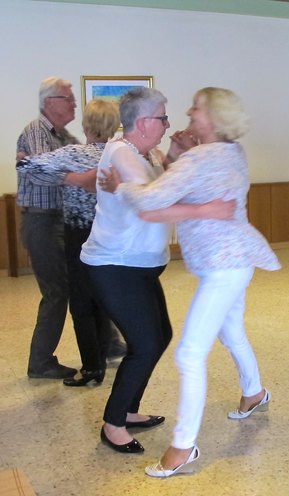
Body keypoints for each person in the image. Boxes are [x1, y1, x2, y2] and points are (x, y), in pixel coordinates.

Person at [100, 87, 280, 477]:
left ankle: (183, 448)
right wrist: (177, 158)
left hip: (222, 267)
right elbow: (184, 182)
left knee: (189, 354)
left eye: (195, 109)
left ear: (213, 119)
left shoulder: (201, 158)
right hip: (237, 260)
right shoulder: (233, 152)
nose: (186, 114)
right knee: (232, 333)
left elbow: (150, 202)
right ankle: (254, 392)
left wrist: (122, 187)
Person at [80, 87, 235, 454]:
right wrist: (201, 204)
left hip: (140, 266)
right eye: (163, 118)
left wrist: (171, 161)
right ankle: (113, 422)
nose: (168, 124)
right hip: (114, 265)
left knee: (159, 336)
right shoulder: (121, 151)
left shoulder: (144, 152)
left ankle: (128, 409)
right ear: (145, 122)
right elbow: (157, 198)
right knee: (146, 343)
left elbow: (162, 187)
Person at [17, 99, 124, 387]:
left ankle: (92, 368)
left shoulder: (74, 153)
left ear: (87, 125)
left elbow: (26, 166)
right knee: (102, 299)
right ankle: (104, 353)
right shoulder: (120, 155)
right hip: (110, 235)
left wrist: (23, 155)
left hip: (78, 235)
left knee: (81, 303)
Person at [17, 77, 79, 379]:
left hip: (60, 220)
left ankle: (109, 342)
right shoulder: (36, 130)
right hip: (41, 221)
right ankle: (40, 363)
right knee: (56, 292)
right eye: (68, 98)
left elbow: (84, 160)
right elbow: (43, 172)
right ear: (49, 102)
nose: (74, 103)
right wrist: (74, 175)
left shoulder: (64, 135)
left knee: (80, 282)